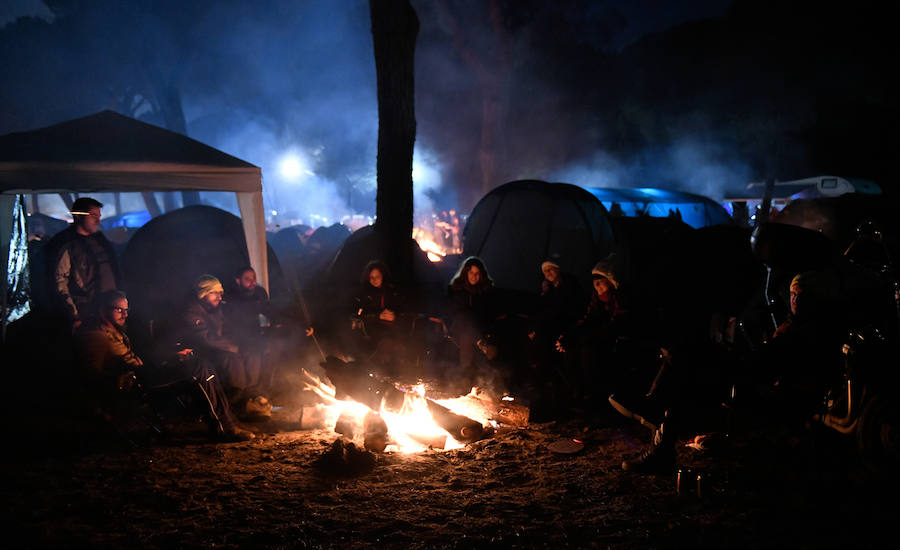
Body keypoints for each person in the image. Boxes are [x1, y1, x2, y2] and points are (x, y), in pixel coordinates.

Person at [76, 290, 254, 442]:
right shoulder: (95, 336)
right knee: (198, 369)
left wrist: (172, 357)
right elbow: (90, 374)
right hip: (135, 384)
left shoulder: (116, 331)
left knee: (203, 364)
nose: (125, 314)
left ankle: (229, 421)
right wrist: (113, 386)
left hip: (143, 375)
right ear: (103, 310)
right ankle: (223, 428)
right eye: (118, 310)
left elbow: (138, 360)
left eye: (126, 310)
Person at [180, 275, 269, 417]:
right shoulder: (192, 312)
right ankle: (236, 402)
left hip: (220, 348)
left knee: (252, 352)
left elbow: (229, 329)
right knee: (231, 358)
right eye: (214, 293)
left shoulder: (217, 309)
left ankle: (250, 396)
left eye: (220, 293)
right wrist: (233, 347)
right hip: (202, 354)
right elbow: (206, 339)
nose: (219, 297)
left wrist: (243, 342)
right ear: (202, 294)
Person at [46, 197, 122, 332]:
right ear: (78, 217)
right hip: (88, 313)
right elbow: (60, 281)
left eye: (99, 216)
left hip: (109, 308)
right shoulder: (66, 244)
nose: (98, 221)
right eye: (93, 216)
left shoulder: (100, 240)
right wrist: (73, 314)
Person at [223, 266, 285, 396]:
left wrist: (278, 322)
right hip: (234, 337)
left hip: (254, 335)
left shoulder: (258, 293)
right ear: (238, 281)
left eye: (254, 278)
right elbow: (227, 324)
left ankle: (258, 394)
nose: (253, 282)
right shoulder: (229, 297)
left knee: (273, 346)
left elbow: (270, 311)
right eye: (248, 279)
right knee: (251, 357)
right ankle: (244, 397)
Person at [349, 260, 408, 369]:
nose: (375, 280)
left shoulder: (392, 291)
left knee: (399, 345)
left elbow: (402, 310)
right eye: (372, 277)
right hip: (371, 331)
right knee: (385, 344)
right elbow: (357, 315)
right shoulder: (363, 293)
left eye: (377, 276)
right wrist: (377, 316)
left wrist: (395, 316)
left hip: (392, 329)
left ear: (383, 276)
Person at [446, 257, 500, 373]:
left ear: (481, 275)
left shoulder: (485, 292)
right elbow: (453, 313)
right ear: (466, 273)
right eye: (471, 273)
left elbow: (488, 314)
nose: (474, 277)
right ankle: (481, 343)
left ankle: (468, 374)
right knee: (466, 317)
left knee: (467, 336)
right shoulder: (456, 289)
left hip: (476, 329)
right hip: (458, 326)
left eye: (477, 274)